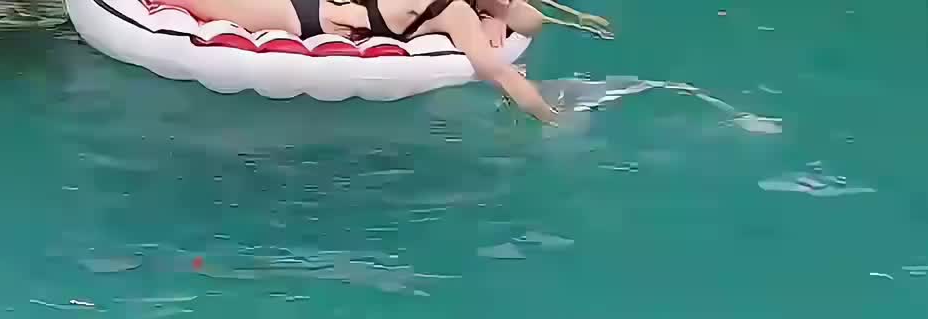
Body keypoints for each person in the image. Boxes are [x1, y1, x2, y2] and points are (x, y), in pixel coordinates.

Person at [166, 0, 612, 123]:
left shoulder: (462, 13)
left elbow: (523, 21)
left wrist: (577, 20)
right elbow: (497, 68)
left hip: (312, 15)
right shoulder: (460, 13)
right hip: (311, 14)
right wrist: (548, 116)